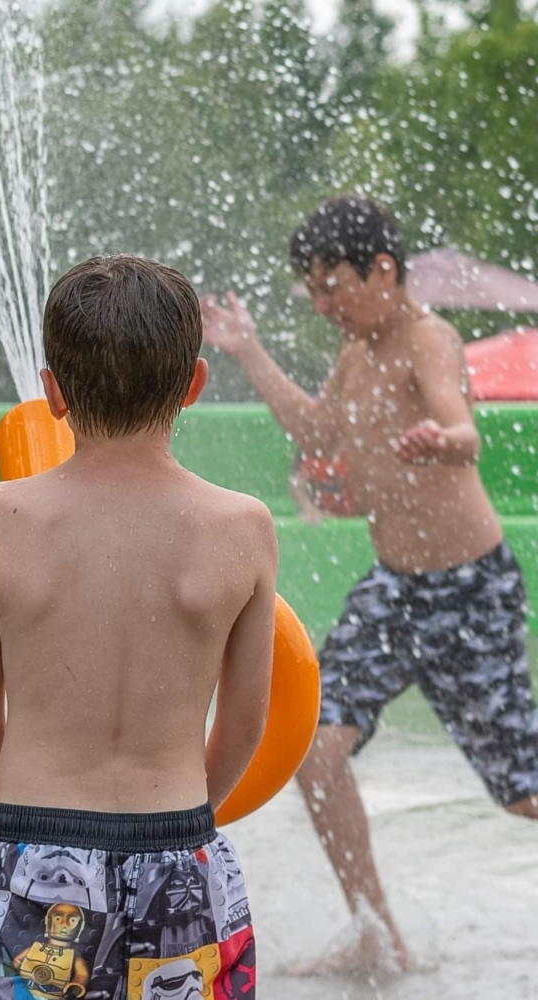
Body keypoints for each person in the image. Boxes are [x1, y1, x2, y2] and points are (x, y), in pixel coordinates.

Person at [200, 194, 538, 974]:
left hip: (470, 594)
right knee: (314, 751)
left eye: (334, 286)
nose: (324, 306)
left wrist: (442, 439)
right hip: (395, 591)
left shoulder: (430, 338)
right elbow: (320, 430)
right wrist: (249, 352)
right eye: (312, 291)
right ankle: (377, 935)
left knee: (521, 794)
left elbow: (463, 429)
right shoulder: (356, 356)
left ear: (383, 270)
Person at [0, 254, 277, 1000]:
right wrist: (191, 817)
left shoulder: (1, 517)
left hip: (38, 847)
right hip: (178, 844)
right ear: (194, 384)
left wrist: (27, 826)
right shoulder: (242, 527)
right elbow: (248, 720)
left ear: (54, 394)